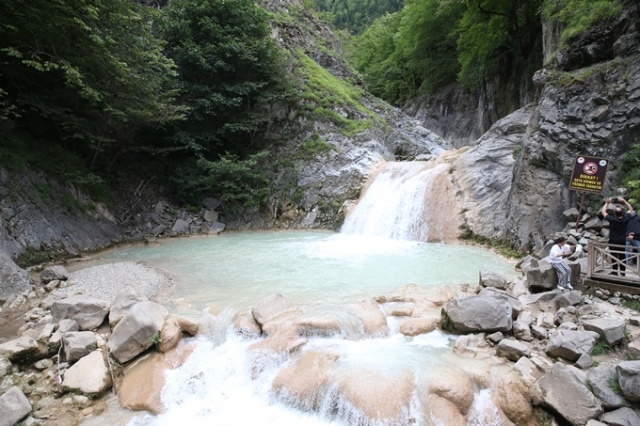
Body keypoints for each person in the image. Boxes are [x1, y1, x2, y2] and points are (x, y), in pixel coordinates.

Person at [602, 197, 634, 276]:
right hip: (622, 241)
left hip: (613, 240)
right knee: (622, 256)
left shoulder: (612, 219)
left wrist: (607, 202)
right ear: (623, 213)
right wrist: (624, 201)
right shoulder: (625, 219)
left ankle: (615, 272)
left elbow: (603, 212)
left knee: (614, 256)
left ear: (615, 213)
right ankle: (622, 273)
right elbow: (631, 210)